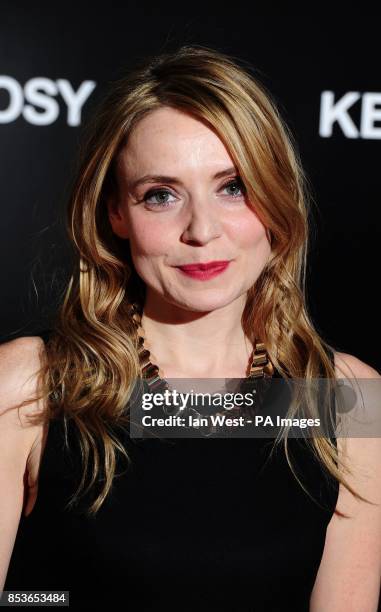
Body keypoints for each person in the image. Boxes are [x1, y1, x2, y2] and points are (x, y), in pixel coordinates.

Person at [1, 44, 380, 612]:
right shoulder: (31, 384)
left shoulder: (346, 400)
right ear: (115, 213)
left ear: (277, 194)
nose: (202, 230)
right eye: (161, 195)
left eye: (233, 187)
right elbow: (28, 596)